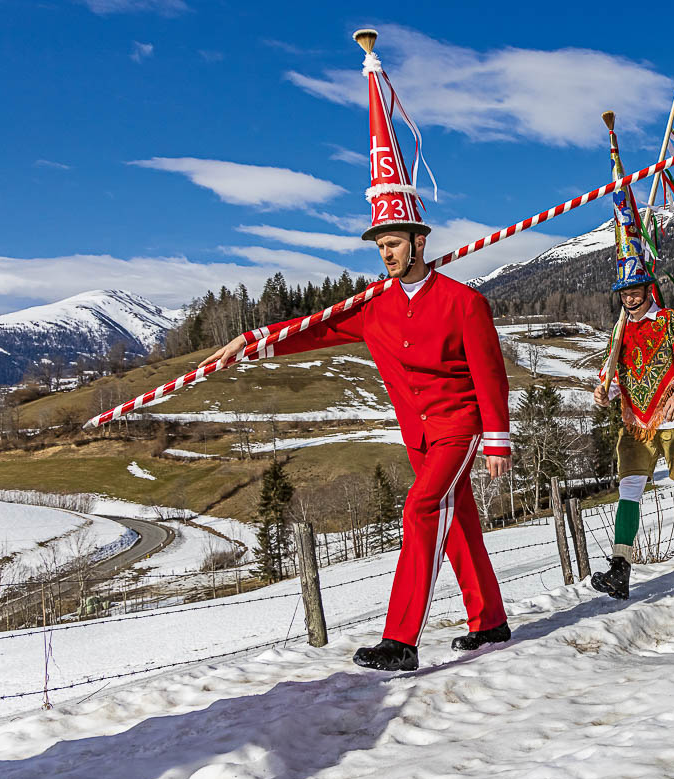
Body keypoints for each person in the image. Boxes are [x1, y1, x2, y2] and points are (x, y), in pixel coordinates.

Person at [203, 49, 511, 671]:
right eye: (380, 246)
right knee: (457, 522)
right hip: (417, 434)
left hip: (458, 428)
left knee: (422, 509)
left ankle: (401, 639)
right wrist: (254, 341)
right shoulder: (374, 307)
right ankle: (491, 620)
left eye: (394, 243)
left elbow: (490, 374)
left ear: (419, 241)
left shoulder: (464, 302)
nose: (386, 254)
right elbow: (313, 331)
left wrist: (498, 441)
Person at [590, 119, 674, 600]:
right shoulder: (618, 333)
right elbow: (615, 376)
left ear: (648, 288)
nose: (630, 297)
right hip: (635, 421)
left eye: (636, 289)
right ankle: (620, 568)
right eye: (624, 291)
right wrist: (604, 390)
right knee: (630, 490)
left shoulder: (672, 322)